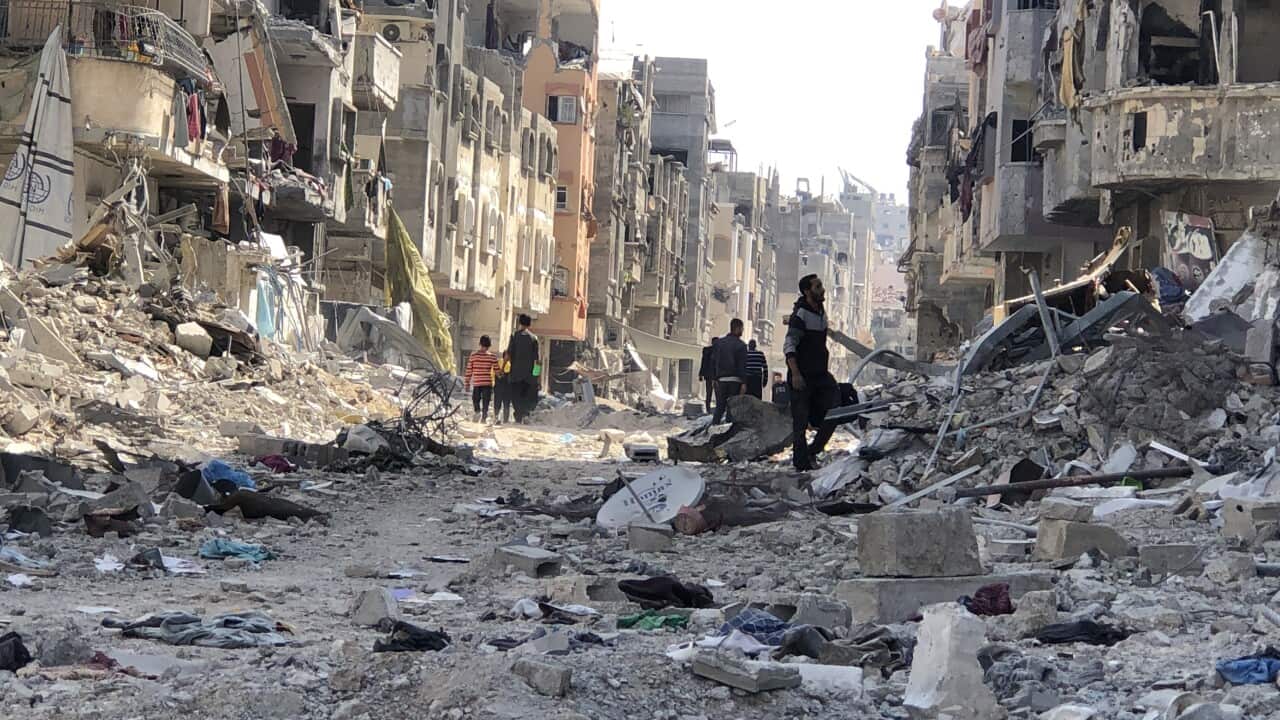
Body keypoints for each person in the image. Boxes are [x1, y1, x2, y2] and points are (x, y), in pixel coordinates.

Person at [785, 274, 840, 471]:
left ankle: (813, 450)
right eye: (818, 287)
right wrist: (795, 374)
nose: (822, 289)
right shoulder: (801, 315)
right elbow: (790, 345)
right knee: (800, 422)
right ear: (807, 291)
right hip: (802, 375)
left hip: (820, 374)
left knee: (837, 407)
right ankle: (801, 463)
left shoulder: (821, 312)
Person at [710, 318, 748, 425]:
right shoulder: (741, 345)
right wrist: (744, 382)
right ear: (738, 328)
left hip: (721, 380)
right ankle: (728, 431)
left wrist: (714, 378)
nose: (742, 331)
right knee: (732, 409)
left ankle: (713, 429)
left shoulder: (719, 343)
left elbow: (713, 361)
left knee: (719, 408)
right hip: (735, 381)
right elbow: (742, 366)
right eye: (742, 328)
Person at [508, 314, 540, 423]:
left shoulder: (514, 336)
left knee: (516, 396)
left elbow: (508, 354)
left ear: (519, 322)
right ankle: (525, 414)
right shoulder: (534, 338)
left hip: (516, 374)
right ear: (529, 324)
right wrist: (536, 375)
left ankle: (518, 416)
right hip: (529, 375)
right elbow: (537, 360)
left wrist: (503, 368)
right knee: (527, 396)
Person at [464, 336, 498, 423]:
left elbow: (469, 370)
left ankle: (477, 412)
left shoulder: (473, 356)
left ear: (480, 344)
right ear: (489, 345)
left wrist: (467, 383)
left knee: (475, 399)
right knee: (486, 401)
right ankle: (484, 417)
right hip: (487, 383)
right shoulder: (492, 357)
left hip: (477, 382)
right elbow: (497, 371)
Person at [492, 350, 513, 424]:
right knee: (501, 403)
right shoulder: (500, 362)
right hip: (501, 386)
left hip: (504, 387)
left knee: (504, 404)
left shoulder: (511, 364)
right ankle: (500, 419)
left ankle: (502, 419)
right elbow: (497, 373)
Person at [698, 342, 717, 412]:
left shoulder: (707, 350)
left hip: (709, 375)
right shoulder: (719, 350)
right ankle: (717, 409)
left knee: (708, 393)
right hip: (717, 376)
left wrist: (701, 374)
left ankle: (708, 409)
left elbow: (703, 362)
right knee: (718, 394)